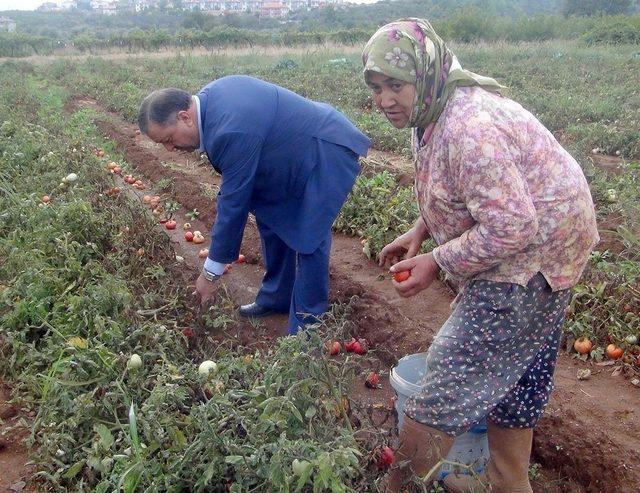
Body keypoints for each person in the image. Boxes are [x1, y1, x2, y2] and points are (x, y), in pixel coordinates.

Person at [362, 18, 599, 493]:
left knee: (440, 394)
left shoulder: (469, 127)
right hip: (546, 250)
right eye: (376, 87)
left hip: (531, 263)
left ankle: (401, 489)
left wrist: (437, 260)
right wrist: (420, 230)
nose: (385, 100)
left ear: (424, 75)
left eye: (395, 85)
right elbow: (462, 190)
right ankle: (508, 481)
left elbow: (513, 226)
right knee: (513, 383)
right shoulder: (432, 110)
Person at [137, 76, 370, 334]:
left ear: (184, 117)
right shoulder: (208, 103)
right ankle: (277, 298)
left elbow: (233, 201)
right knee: (271, 217)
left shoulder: (229, 129)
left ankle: (307, 329)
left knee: (309, 236)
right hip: (287, 154)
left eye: (168, 139)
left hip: (323, 148)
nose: (169, 149)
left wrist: (210, 274)